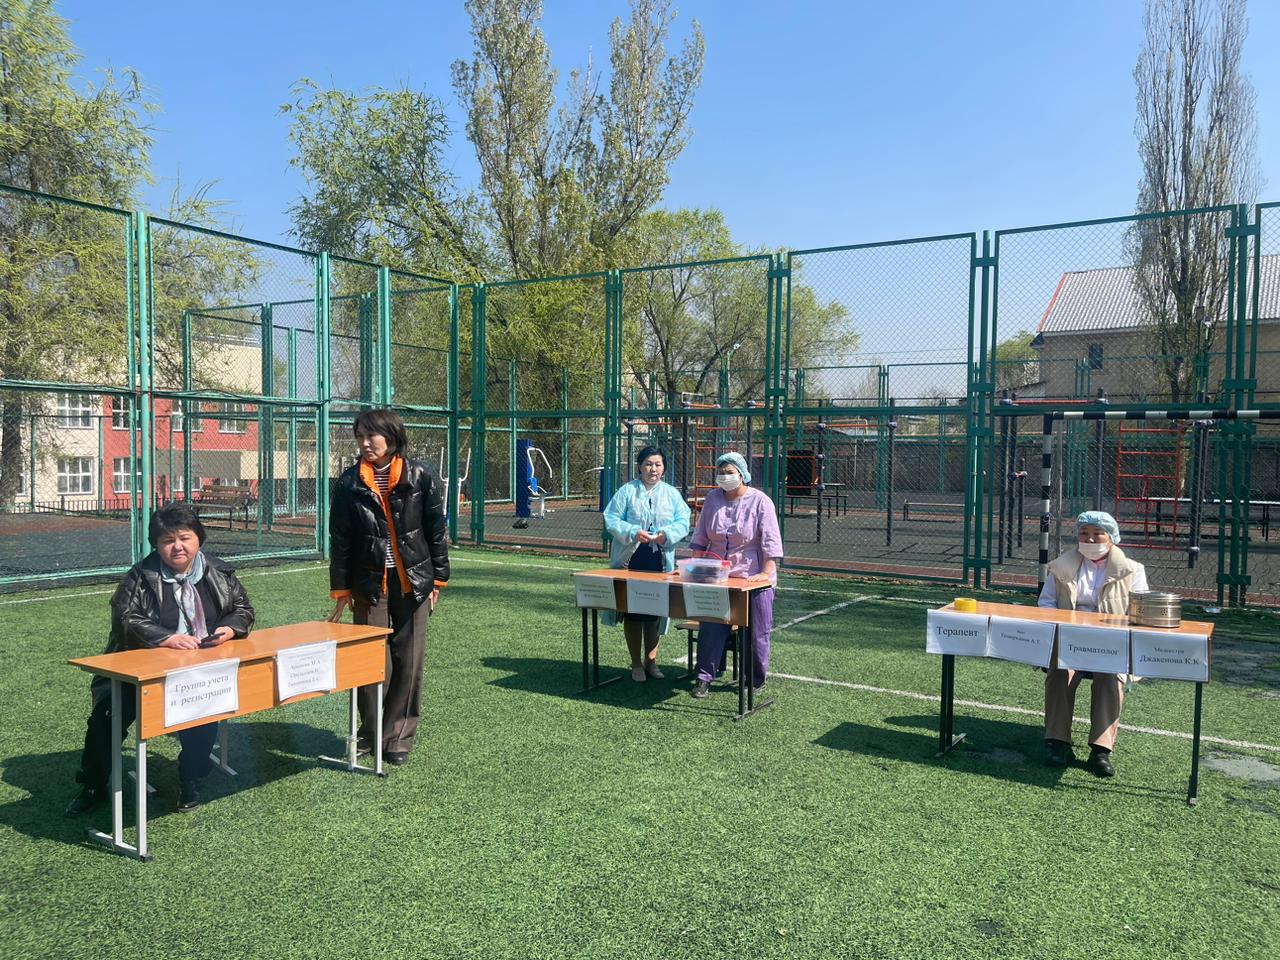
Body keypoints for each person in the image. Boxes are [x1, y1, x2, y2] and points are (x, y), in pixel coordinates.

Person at [65, 503, 255, 816]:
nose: (177, 546)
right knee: (105, 719)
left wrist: (229, 629)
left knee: (204, 716)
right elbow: (124, 618)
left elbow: (243, 609)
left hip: (197, 668)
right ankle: (93, 784)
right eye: (168, 540)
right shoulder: (141, 575)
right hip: (136, 671)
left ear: (199, 538)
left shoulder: (219, 571)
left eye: (185, 537)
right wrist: (166, 638)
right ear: (156, 544)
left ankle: (191, 779)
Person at [328, 409, 449, 766]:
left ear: (392, 437)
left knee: (408, 661)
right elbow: (341, 540)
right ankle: (369, 733)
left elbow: (436, 531)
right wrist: (342, 590)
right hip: (369, 583)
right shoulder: (348, 483)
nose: (365, 443)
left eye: (372, 436)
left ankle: (397, 737)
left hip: (413, 582)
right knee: (369, 661)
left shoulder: (420, 476)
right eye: (360, 437)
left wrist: (437, 579)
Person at [1038, 510, 1148, 778]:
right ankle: (1059, 744)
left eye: (1097, 534)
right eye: (1084, 533)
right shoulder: (1061, 568)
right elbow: (1046, 604)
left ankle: (1100, 750)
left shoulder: (1132, 570)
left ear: (1111, 538)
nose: (1089, 539)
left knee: (1109, 677)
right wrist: (1065, 627)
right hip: (1069, 639)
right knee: (1059, 673)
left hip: (1111, 644)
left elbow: (1140, 613)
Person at [688, 452, 783, 699]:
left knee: (756, 632)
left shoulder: (761, 501)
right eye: (720, 472)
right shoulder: (712, 498)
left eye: (729, 472)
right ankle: (704, 677)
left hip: (753, 578)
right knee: (710, 626)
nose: (724, 477)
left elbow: (770, 540)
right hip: (718, 576)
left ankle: (755, 678)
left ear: (742, 474)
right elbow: (701, 536)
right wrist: (694, 565)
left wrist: (765, 573)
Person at [602, 446, 692, 681]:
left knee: (655, 612)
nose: (653, 469)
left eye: (658, 464)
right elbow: (611, 518)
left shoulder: (671, 493)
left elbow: (683, 520)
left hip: (659, 561)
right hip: (631, 560)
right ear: (640, 467)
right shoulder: (627, 491)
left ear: (664, 468)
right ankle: (636, 664)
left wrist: (667, 534)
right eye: (648, 464)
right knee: (633, 612)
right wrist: (632, 531)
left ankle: (651, 661)